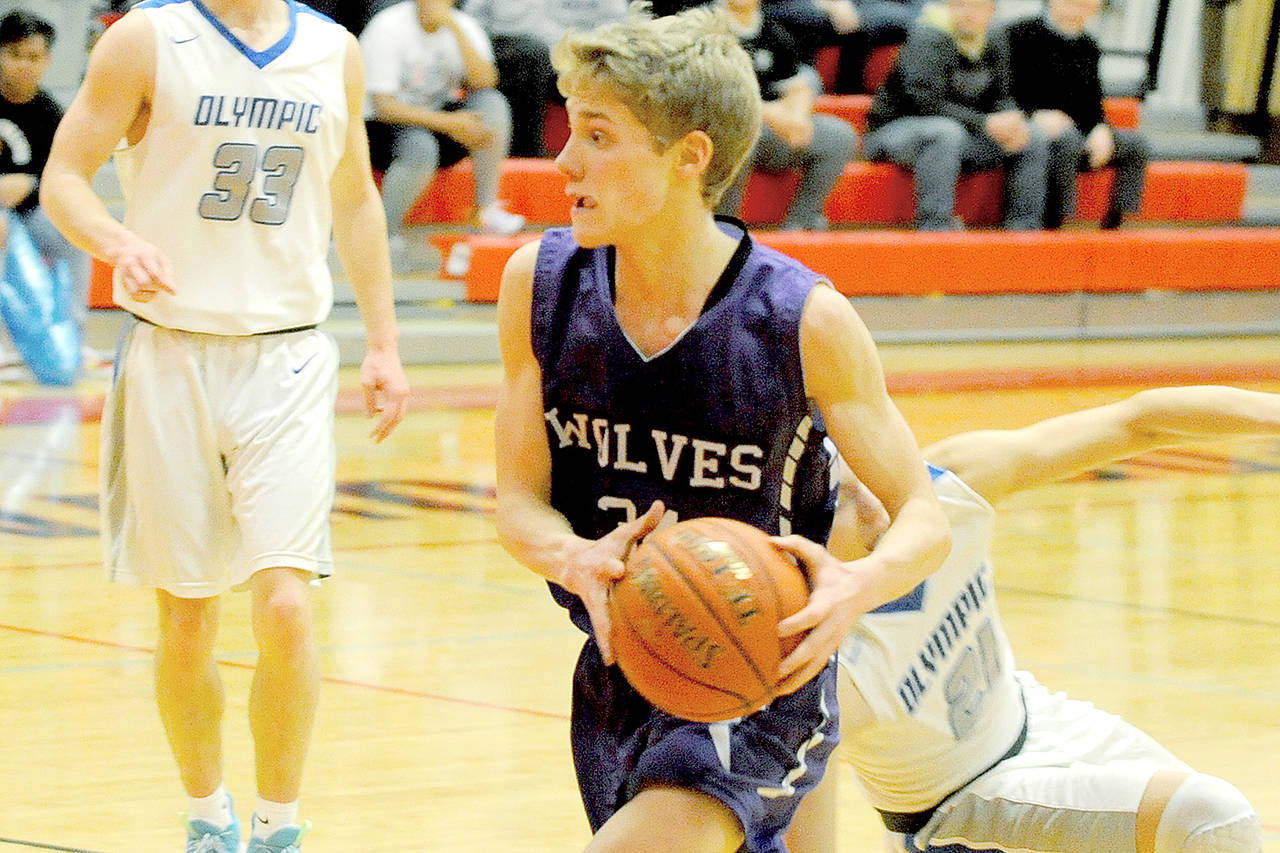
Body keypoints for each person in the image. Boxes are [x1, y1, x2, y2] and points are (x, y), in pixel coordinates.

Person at [493, 6, 950, 851]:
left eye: (598, 136)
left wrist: (863, 581)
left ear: (689, 157)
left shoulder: (803, 318)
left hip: (761, 677)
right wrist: (569, 554)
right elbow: (518, 503)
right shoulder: (540, 285)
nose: (564, 161)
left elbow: (923, 513)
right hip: (624, 665)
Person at [39, 0, 410, 850]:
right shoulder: (146, 39)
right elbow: (65, 176)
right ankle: (209, 816)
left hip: (284, 355)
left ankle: (279, 826)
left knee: (285, 605)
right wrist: (112, 239)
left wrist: (384, 341)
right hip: (171, 353)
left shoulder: (332, 50)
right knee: (190, 614)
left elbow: (353, 199)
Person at [786, 384, 1271, 853]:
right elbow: (787, 809)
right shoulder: (818, 661)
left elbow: (1140, 421)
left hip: (1039, 718)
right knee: (1209, 820)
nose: (875, 499)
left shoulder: (942, 488)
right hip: (957, 812)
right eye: (845, 497)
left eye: (861, 469)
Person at [359, 0, 525, 272]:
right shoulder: (387, 28)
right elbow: (383, 107)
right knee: (420, 146)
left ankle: (486, 210)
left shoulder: (463, 25)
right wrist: (448, 123)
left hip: (437, 119)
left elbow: (485, 81)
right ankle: (382, 234)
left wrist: (454, 29)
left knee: (491, 105)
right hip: (383, 128)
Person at [861, 0, 1047, 230]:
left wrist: (1009, 118)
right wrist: (984, 122)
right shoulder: (927, 37)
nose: (969, 14)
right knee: (945, 132)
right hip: (895, 132)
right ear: (949, 7)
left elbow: (1001, 96)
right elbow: (924, 103)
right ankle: (935, 227)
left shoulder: (995, 39)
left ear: (991, 12)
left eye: (978, 7)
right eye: (961, 5)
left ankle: (1024, 231)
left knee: (1032, 135)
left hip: (963, 135)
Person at [0, 9, 98, 381]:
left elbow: (64, 172)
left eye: (33, 57)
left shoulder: (50, 113)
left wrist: (34, 185)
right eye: (14, 55)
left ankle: (74, 335)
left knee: (76, 237)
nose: (24, 66)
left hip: (34, 212)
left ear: (46, 61)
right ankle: (5, 345)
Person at [1004, 0, 1150, 230]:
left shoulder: (1088, 45)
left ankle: (1116, 224)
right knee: (1067, 138)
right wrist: (1033, 115)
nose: (1081, 6)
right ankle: (1055, 223)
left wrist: (1102, 128)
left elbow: (1092, 102)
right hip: (1036, 127)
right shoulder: (1019, 34)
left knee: (1135, 144)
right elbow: (1003, 91)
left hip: (1078, 129)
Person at [715, 0, 859, 231]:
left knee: (839, 135)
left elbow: (797, 84)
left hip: (769, 132)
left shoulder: (773, 30)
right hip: (723, 132)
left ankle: (802, 225)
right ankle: (722, 227)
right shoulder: (705, 28)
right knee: (738, 130)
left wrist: (798, 117)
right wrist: (770, 114)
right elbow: (710, 96)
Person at [461, 0, 629, 157]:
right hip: (510, 57)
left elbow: (621, 29)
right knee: (531, 56)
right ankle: (525, 159)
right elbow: (468, 24)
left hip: (575, 59)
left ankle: (615, 158)